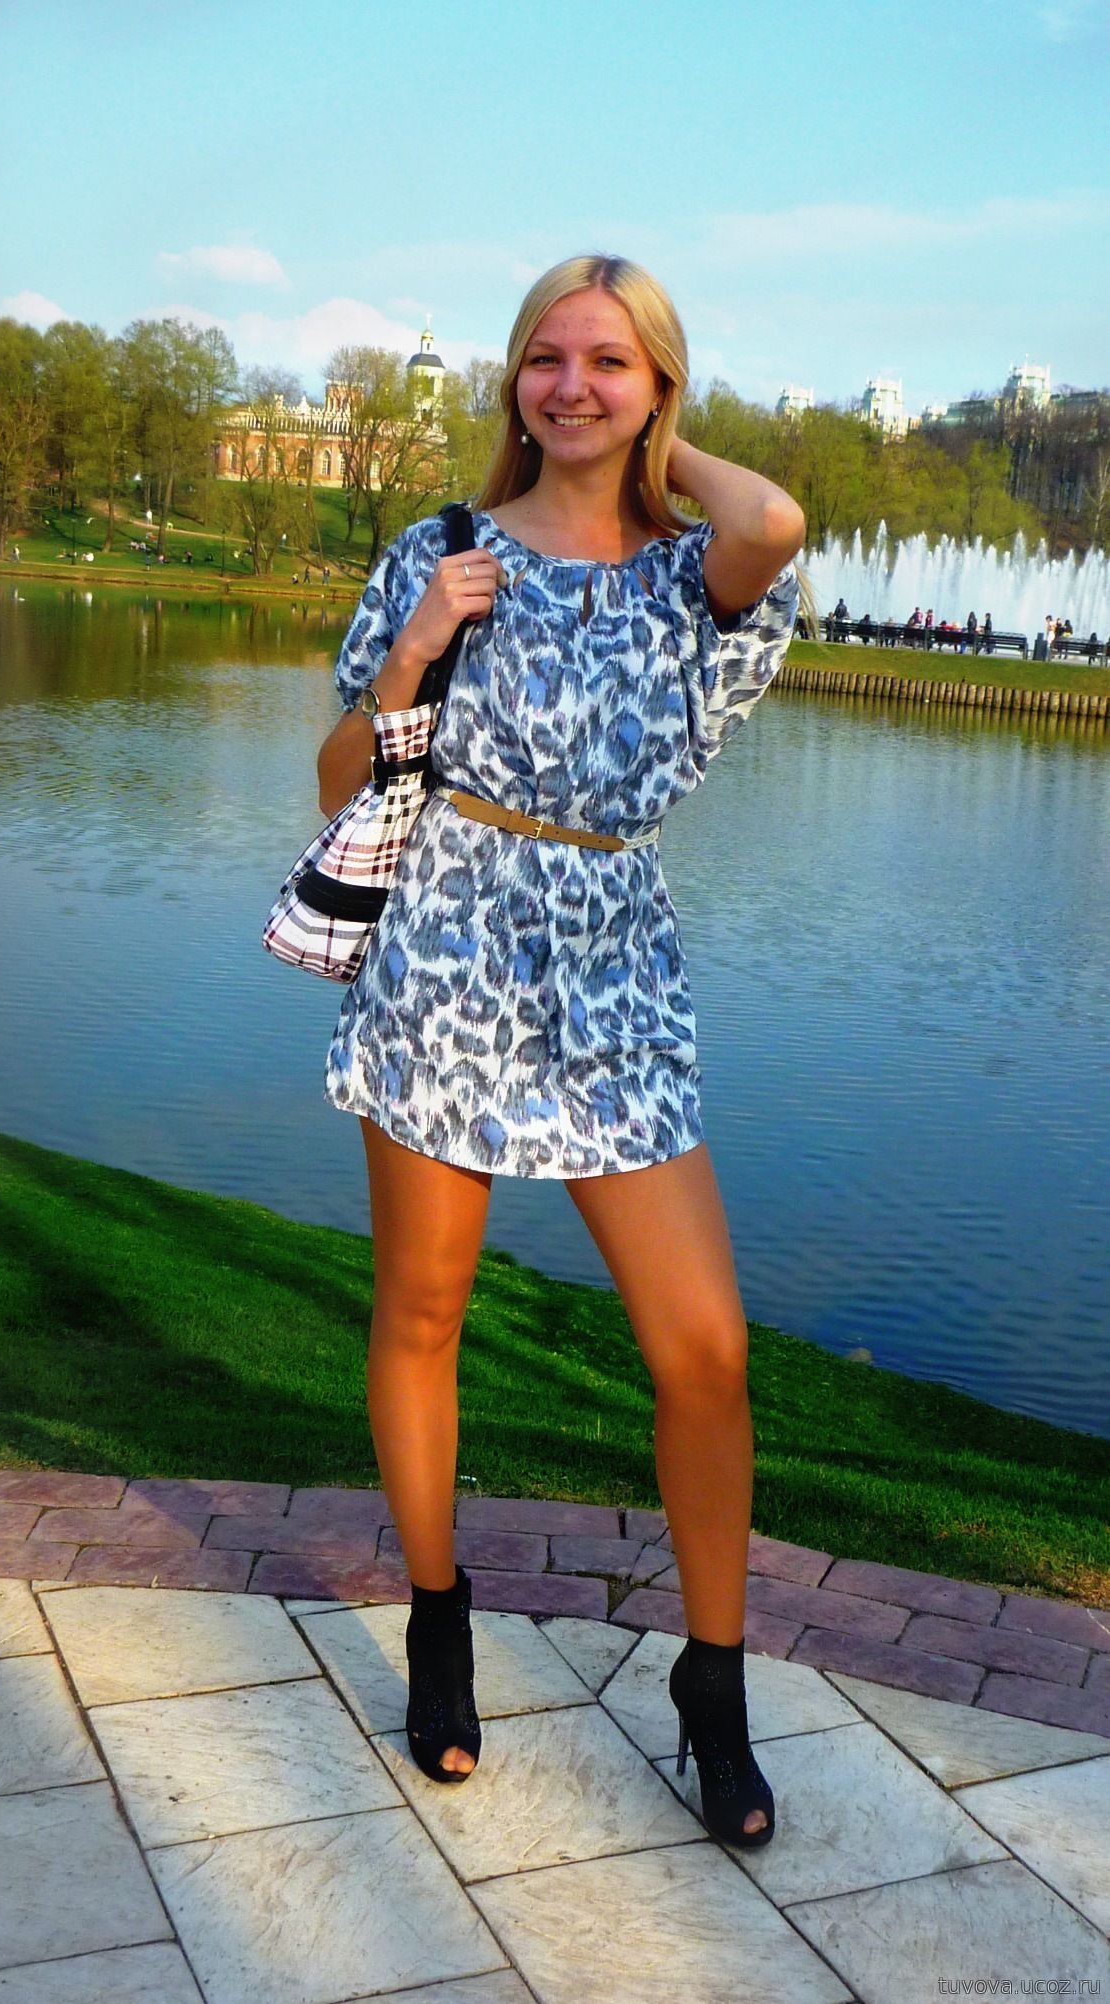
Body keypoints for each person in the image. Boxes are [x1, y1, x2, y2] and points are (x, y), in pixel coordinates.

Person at [315, 253, 804, 1846]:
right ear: (510, 377)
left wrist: (654, 452)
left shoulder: (694, 574)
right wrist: (410, 655)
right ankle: (439, 1625)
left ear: (659, 383)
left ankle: (712, 1686)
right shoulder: (439, 549)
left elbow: (778, 521)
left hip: (612, 970)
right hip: (444, 946)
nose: (571, 384)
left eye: (609, 360)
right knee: (424, 1307)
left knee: (704, 1349)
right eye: (546, 356)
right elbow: (334, 782)